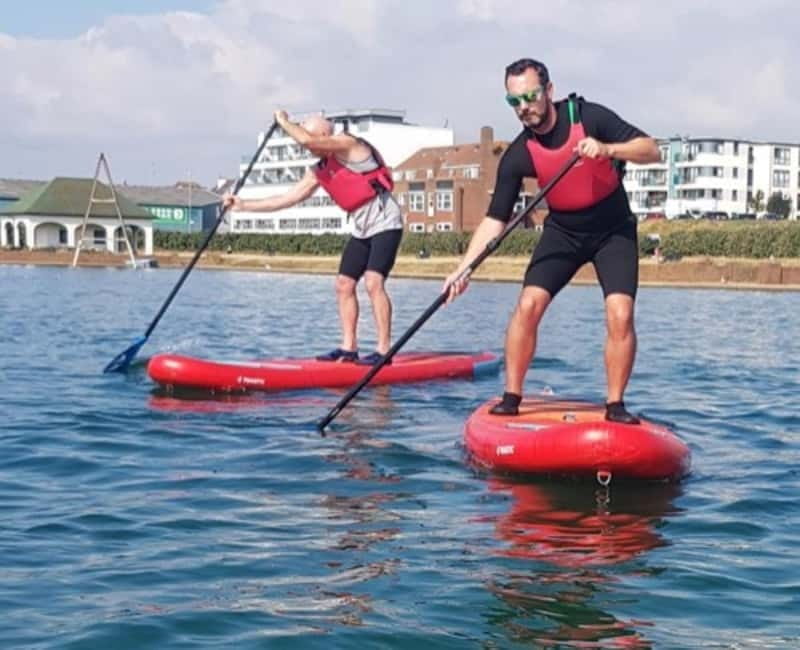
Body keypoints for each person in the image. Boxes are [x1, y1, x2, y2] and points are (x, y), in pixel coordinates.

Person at [444, 58, 661, 423]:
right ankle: (511, 397)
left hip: (613, 231)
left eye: (530, 96)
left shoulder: (589, 117)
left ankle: (615, 405)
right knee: (528, 305)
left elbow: (651, 149)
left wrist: (608, 149)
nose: (523, 107)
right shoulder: (518, 154)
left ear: (548, 91)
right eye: (514, 101)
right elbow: (495, 220)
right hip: (564, 232)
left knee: (620, 314)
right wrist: (462, 269)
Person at [224, 110, 404, 365]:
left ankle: (384, 351)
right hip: (361, 227)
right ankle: (349, 348)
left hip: (386, 221)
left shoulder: (349, 144)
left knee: (373, 282)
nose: (307, 148)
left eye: (311, 138)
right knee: (343, 284)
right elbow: (287, 198)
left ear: (323, 134)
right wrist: (243, 206)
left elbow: (307, 141)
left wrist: (284, 122)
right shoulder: (319, 170)